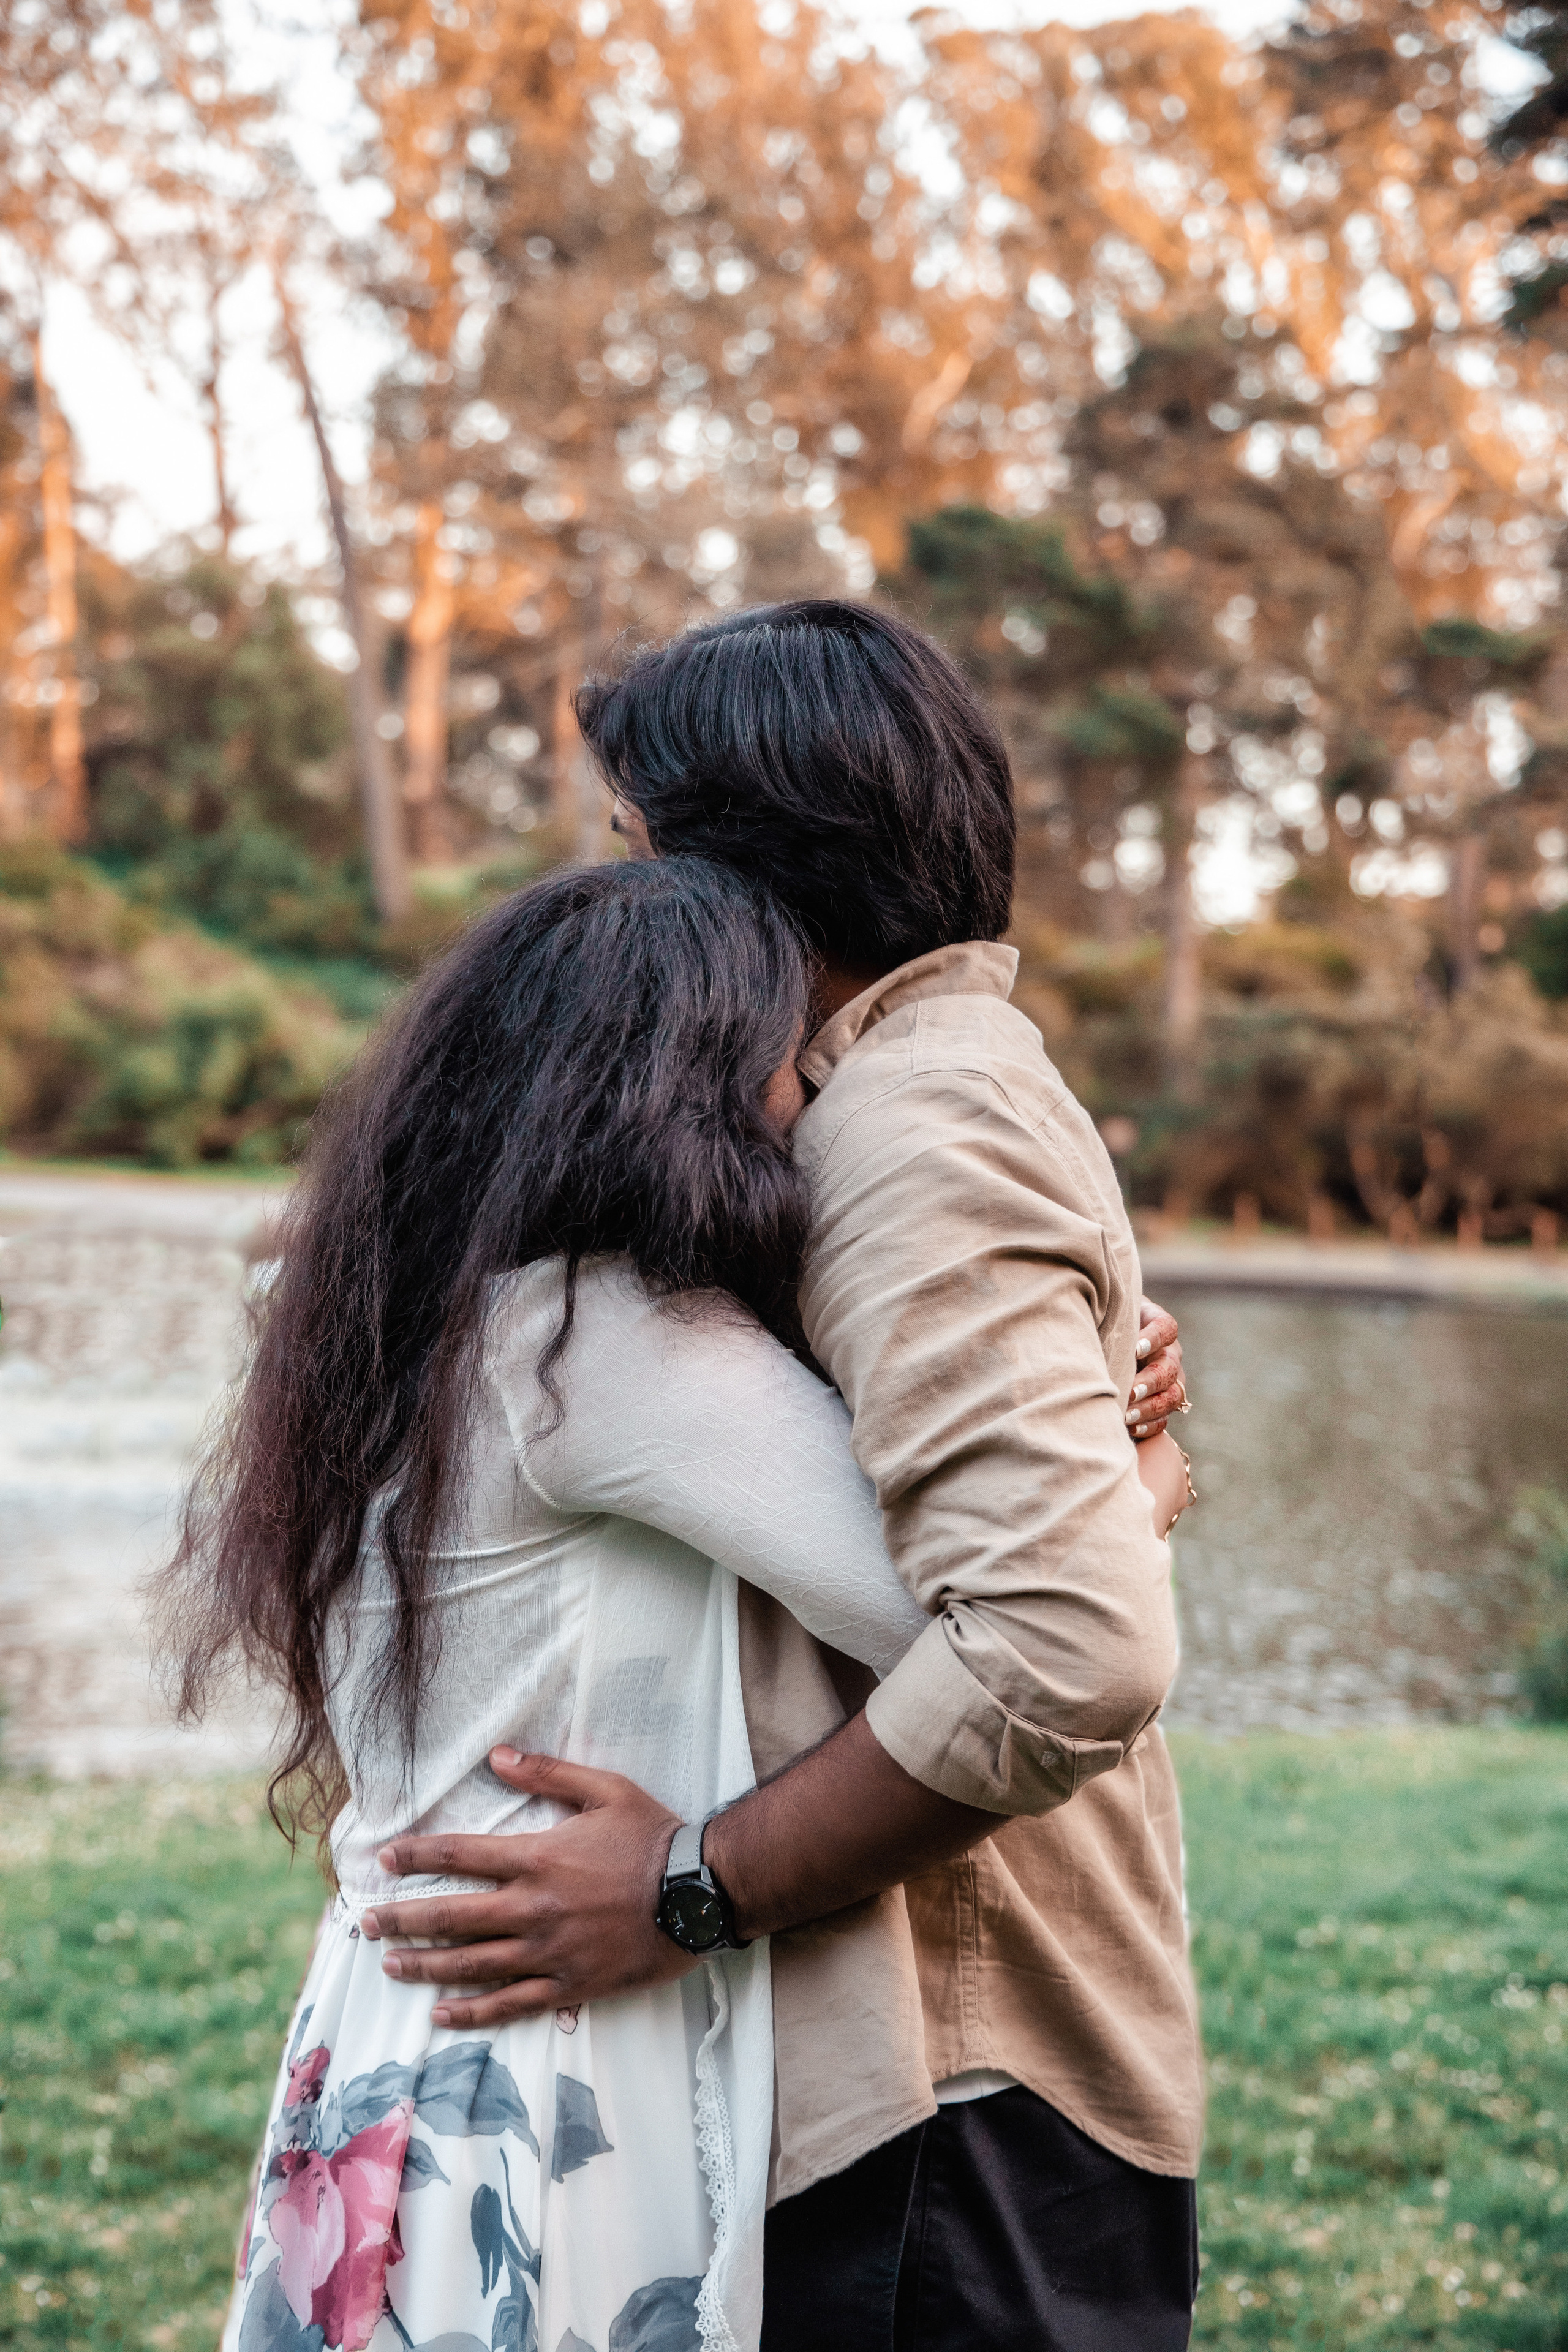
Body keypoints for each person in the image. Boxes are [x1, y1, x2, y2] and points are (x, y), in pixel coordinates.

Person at [358, 601, 1207, 2350]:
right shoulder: (870, 1106)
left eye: (644, 841)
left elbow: (1062, 1642)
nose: (631, 890)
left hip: (953, 2090)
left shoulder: (913, 1127)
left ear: (763, 870)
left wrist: (695, 1882)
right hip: (904, 2087)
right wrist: (1139, 1461)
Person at [160, 859, 995, 2352]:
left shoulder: (396, 1305)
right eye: (785, 1059)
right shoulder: (593, 1339)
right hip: (553, 2047)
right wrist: (1136, 1455)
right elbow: (967, 1618)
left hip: (381, 2017)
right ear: (683, 1085)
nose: (809, 1098)